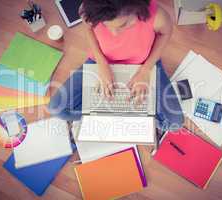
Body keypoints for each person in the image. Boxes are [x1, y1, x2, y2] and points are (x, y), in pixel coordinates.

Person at [48, 0, 184, 132]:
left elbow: (165, 33)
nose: (114, 33)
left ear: (138, 9)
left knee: (175, 123)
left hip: (145, 62)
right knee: (57, 109)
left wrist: (146, 69)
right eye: (106, 25)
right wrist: (102, 64)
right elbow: (88, 29)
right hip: (100, 60)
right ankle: (118, 114)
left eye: (123, 24)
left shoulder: (156, 15)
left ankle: (122, 114)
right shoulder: (90, 8)